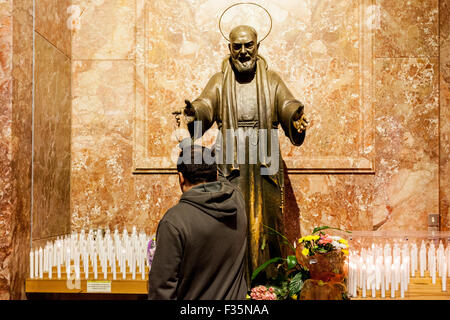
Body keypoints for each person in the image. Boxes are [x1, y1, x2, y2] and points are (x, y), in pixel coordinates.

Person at [182, 25, 309, 281]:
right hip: (232, 156)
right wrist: (194, 113)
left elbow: (286, 104)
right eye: (236, 46)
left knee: (269, 223)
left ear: (257, 47)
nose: (243, 52)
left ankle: (271, 283)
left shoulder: (271, 79)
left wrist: (294, 117)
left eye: (248, 45)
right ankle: (232, 282)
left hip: (264, 153)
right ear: (229, 48)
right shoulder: (219, 81)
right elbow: (206, 105)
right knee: (231, 218)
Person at [148, 143, 248, 300]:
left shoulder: (174, 222)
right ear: (215, 175)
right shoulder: (237, 201)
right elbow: (222, 179)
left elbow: (162, 291)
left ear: (180, 178)